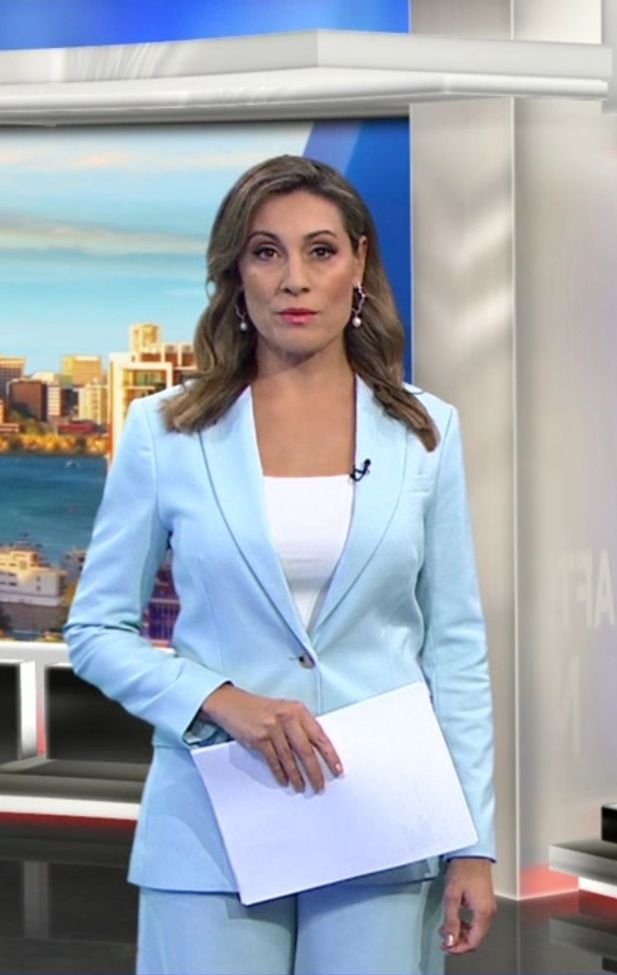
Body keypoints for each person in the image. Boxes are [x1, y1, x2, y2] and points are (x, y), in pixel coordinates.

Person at [64, 154, 496, 975]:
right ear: (236, 272)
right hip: (211, 819)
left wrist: (473, 838)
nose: (294, 278)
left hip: (381, 818)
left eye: (320, 250)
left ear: (358, 263)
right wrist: (219, 699)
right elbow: (96, 630)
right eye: (266, 252)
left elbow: (454, 647)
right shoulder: (166, 431)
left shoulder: (424, 431)